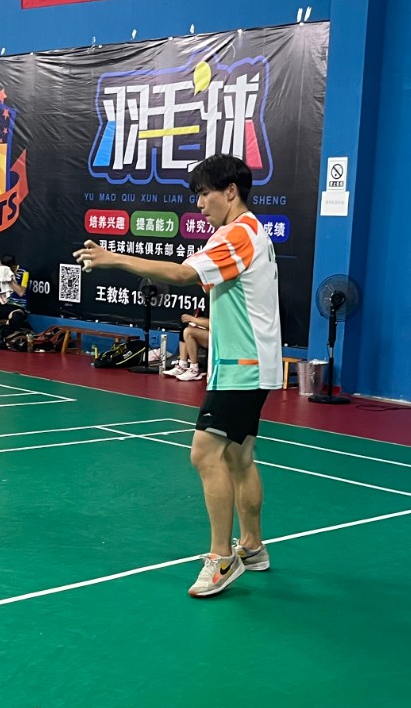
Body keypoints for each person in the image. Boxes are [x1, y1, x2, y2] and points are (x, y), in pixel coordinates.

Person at [75, 153, 281, 598]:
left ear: (231, 191)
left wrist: (114, 257)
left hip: (242, 368)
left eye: (205, 194)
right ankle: (252, 547)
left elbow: (182, 273)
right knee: (239, 457)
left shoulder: (238, 233)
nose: (200, 205)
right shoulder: (248, 233)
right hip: (250, 364)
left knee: (204, 453)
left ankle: (221, 558)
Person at [162, 313, 209, 381]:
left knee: (188, 332)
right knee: (185, 329)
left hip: (219, 338)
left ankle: (194, 370)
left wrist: (192, 319)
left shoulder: (217, 307)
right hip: (210, 333)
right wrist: (196, 323)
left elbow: (213, 324)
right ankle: (182, 366)